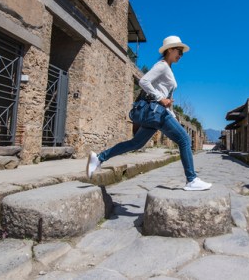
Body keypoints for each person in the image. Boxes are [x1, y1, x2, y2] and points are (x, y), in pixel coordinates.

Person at [86, 35, 212, 191]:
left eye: (182, 53)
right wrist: (160, 99)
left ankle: (99, 158)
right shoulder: (163, 65)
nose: (181, 55)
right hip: (157, 113)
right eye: (179, 51)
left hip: (158, 113)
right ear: (170, 50)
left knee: (135, 143)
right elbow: (143, 81)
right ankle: (192, 179)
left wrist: (170, 111)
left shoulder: (168, 68)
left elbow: (166, 96)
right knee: (185, 139)